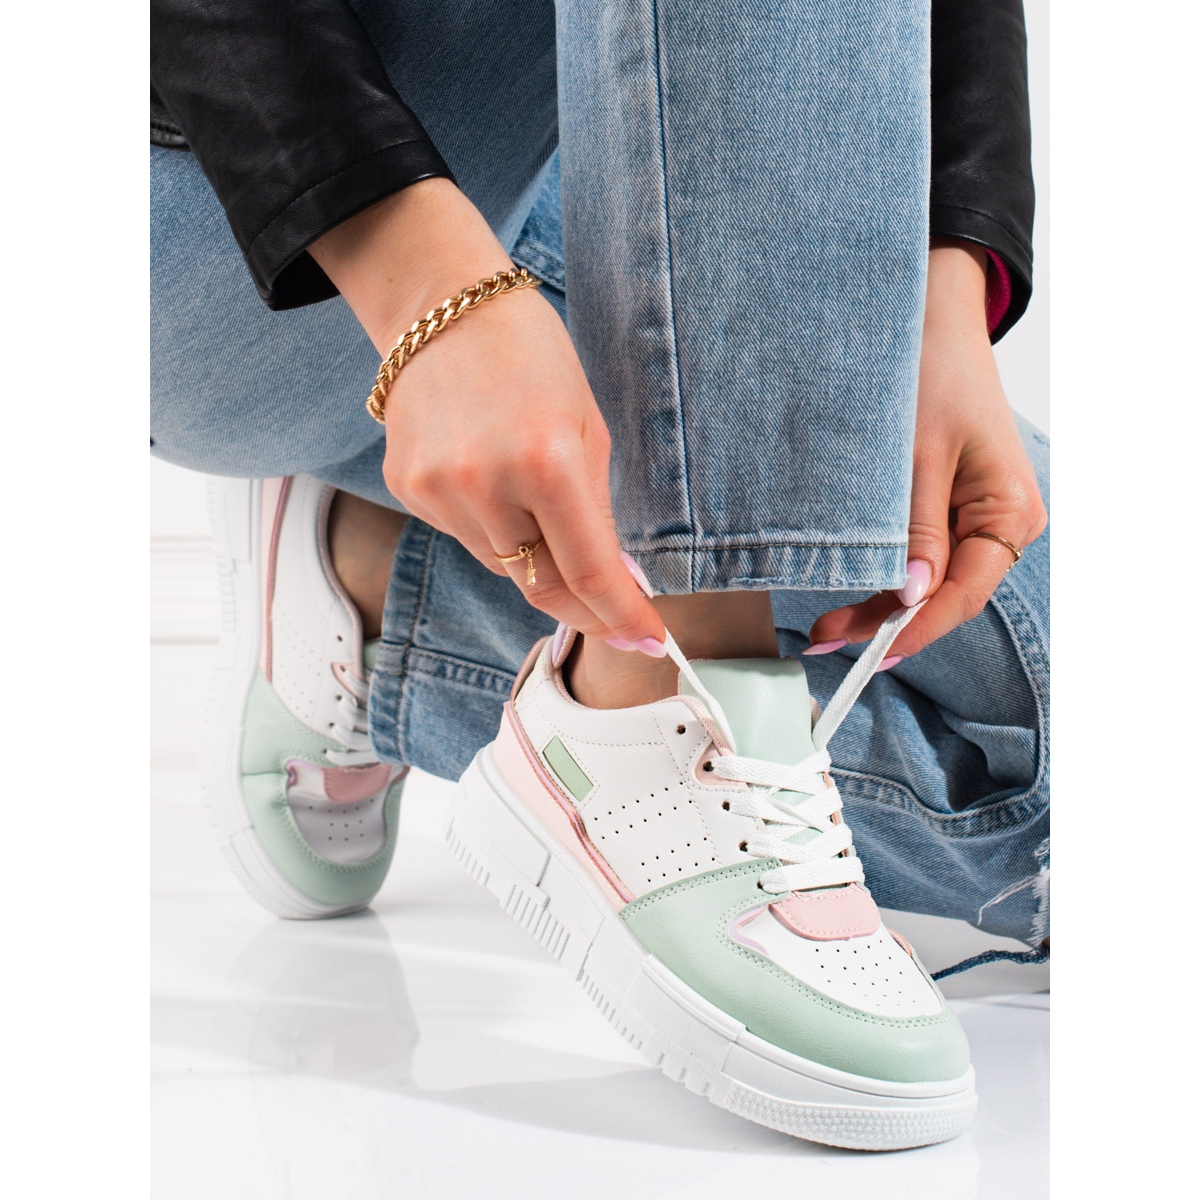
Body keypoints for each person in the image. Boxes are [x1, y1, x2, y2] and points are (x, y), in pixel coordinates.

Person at [151, 0, 1048, 1150]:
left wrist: (941, 277)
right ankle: (662, 688)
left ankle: (379, 590)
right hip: (225, 196)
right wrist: (424, 287)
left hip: (667, 163)